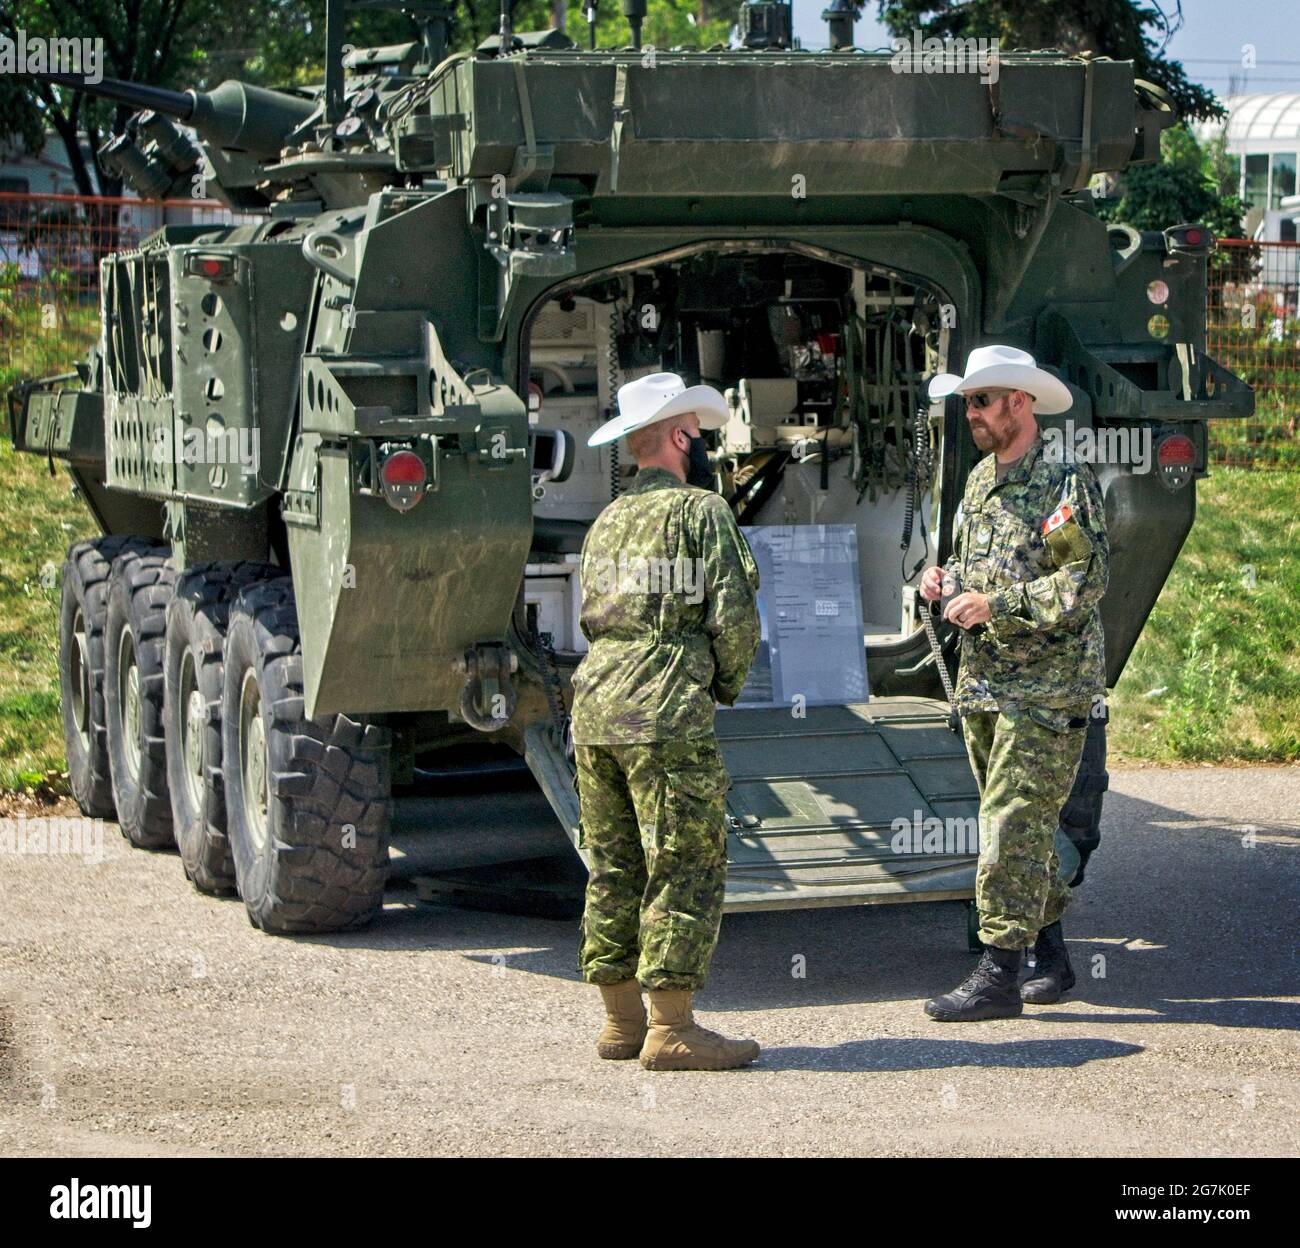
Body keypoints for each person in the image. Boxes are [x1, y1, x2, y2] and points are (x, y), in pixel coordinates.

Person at [571, 371, 763, 1070]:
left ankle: (621, 1024)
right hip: (663, 709)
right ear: (680, 436)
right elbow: (735, 618)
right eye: (700, 435)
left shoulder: (607, 519)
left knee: (614, 865)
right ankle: (673, 1027)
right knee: (683, 862)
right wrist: (719, 685)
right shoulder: (701, 512)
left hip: (596, 709)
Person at [918, 345, 1109, 1020]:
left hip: (1047, 687)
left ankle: (997, 976)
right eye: (966, 401)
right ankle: (1050, 956)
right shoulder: (979, 480)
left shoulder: (1061, 479)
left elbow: (1082, 581)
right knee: (1022, 829)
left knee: (1009, 824)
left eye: (981, 400)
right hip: (986, 683)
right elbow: (979, 565)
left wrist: (999, 606)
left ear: (1019, 402)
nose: (969, 412)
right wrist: (943, 582)